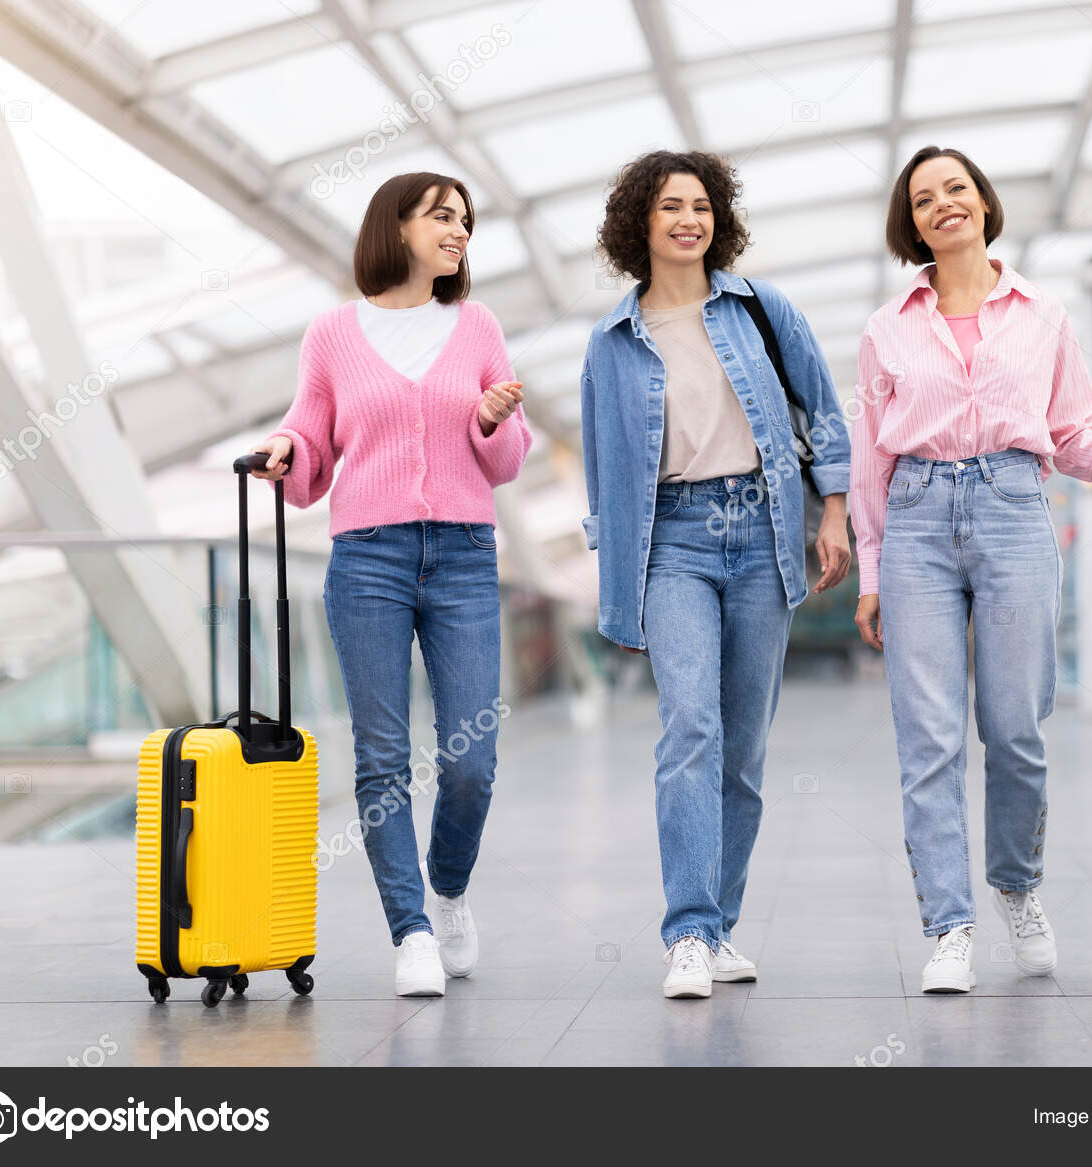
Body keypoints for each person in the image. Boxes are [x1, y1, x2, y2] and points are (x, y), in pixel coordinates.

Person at [850, 145, 1092, 992]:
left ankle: (1017, 885)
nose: (943, 206)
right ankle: (949, 924)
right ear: (911, 223)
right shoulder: (886, 328)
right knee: (928, 738)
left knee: (1016, 731)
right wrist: (872, 569)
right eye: (924, 199)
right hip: (919, 517)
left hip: (1011, 508)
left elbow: (1070, 433)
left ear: (984, 202)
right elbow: (868, 462)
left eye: (955, 189)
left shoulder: (1044, 315)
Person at [248, 171, 531, 997]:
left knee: (471, 756)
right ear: (395, 226)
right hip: (366, 558)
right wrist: (283, 447)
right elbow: (310, 435)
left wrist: (490, 421)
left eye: (467, 221)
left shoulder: (476, 326)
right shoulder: (333, 334)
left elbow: (508, 458)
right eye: (443, 216)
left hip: (466, 555)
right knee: (381, 759)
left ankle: (447, 889)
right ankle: (408, 930)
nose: (459, 232)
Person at [581, 149, 852, 999]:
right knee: (690, 726)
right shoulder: (612, 342)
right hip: (674, 542)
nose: (688, 219)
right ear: (641, 224)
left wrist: (835, 511)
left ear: (718, 219)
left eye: (700, 205)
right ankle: (689, 933)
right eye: (669, 207)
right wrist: (618, 581)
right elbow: (604, 471)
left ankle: (721, 923)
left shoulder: (760, 309)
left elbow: (823, 410)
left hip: (762, 533)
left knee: (743, 750)